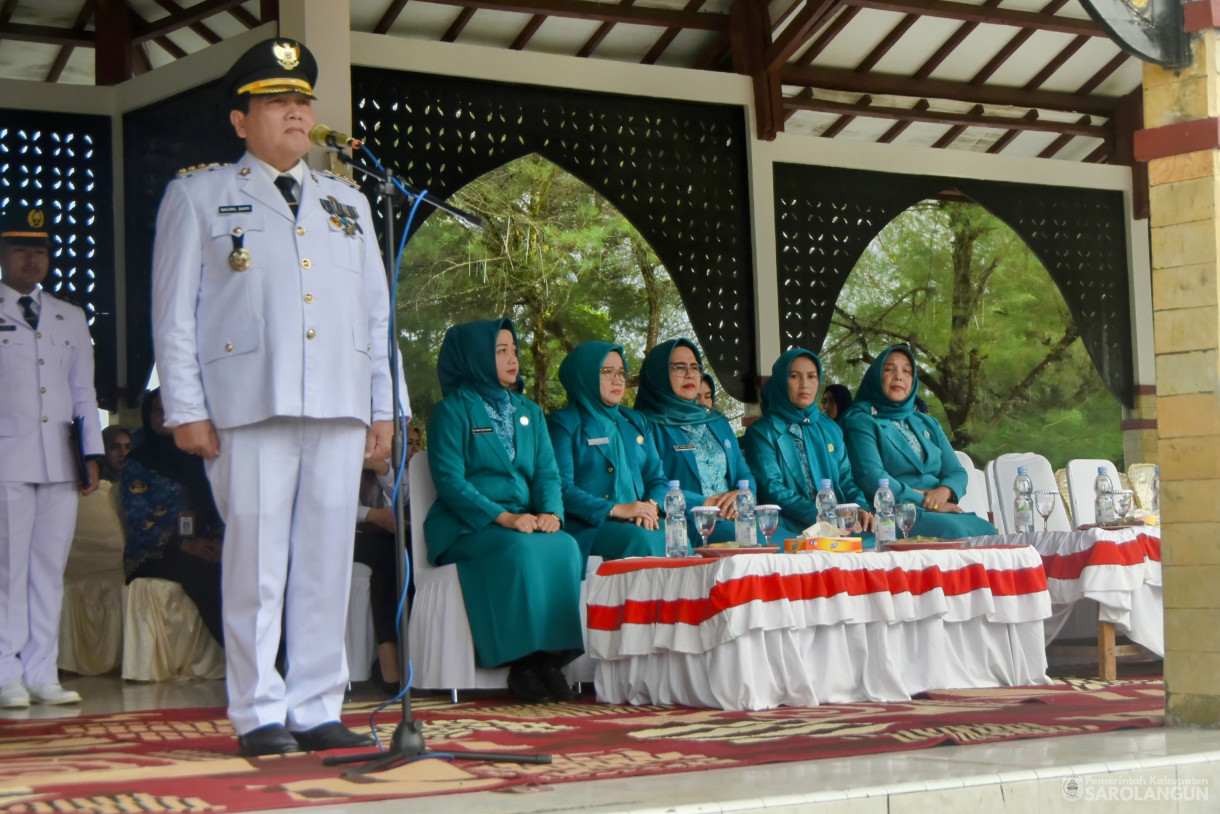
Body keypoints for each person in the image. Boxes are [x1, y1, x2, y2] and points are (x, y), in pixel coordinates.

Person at [150, 38, 399, 755]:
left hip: (340, 405)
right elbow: (174, 314)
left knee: (326, 560)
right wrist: (186, 408)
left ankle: (317, 704)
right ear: (240, 121)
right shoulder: (198, 195)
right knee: (257, 563)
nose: (295, 112)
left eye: (302, 101)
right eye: (277, 102)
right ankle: (258, 711)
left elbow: (375, 317)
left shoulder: (346, 200)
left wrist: (384, 409)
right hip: (247, 406)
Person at [424, 319, 583, 704]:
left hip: (524, 521)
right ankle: (522, 664)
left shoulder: (529, 410)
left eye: (513, 349)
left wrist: (552, 513)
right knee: (518, 550)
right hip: (468, 525)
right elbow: (450, 481)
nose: (513, 358)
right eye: (500, 351)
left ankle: (550, 660)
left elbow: (548, 472)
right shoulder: (451, 411)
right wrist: (504, 517)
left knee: (565, 546)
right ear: (477, 358)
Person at [0, 207, 102, 709]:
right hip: (6, 458)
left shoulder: (69, 315)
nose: (31, 258)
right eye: (20, 249)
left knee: (48, 568)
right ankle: (5, 672)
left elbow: (83, 391)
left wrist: (91, 454)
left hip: (59, 461)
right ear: (3, 255)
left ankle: (42, 672)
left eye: (39, 250)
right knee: (7, 569)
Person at [840, 345, 996, 538]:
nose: (899, 376)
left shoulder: (926, 421)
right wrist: (926, 501)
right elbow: (872, 477)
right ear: (875, 377)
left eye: (907, 371)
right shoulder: (861, 420)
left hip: (937, 509)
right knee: (954, 531)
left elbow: (956, 472)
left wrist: (944, 492)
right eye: (889, 370)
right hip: (892, 512)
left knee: (987, 530)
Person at [547, 341, 666, 571]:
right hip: (591, 526)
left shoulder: (636, 421)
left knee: (678, 537)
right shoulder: (564, 423)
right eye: (607, 372)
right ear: (584, 375)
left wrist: (649, 506)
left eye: (622, 372)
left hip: (640, 522)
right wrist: (617, 509)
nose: (618, 379)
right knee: (641, 541)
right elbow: (560, 488)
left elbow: (658, 479)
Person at [119, 389, 224, 646]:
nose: (166, 415)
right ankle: (245, 654)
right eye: (158, 410)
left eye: (171, 408)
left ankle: (278, 649)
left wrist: (217, 539)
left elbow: (218, 506)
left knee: (242, 569)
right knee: (205, 575)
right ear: (147, 416)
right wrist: (185, 544)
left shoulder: (198, 458)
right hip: (152, 553)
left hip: (201, 544)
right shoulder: (138, 462)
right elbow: (140, 523)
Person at [634, 339, 763, 546]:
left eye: (695, 367)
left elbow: (743, 472)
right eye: (679, 367)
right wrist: (702, 504)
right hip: (685, 524)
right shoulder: (644, 425)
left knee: (784, 540)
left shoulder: (716, 420)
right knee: (756, 544)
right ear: (658, 373)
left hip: (735, 518)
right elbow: (644, 483)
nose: (690, 374)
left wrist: (744, 494)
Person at [742, 349, 875, 545]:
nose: (805, 384)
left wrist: (860, 508)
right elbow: (772, 488)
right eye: (794, 376)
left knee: (878, 538)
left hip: (837, 524)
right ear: (780, 381)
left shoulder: (830, 428)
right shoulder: (762, 433)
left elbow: (846, 479)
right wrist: (821, 516)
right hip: (788, 523)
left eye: (812, 377)